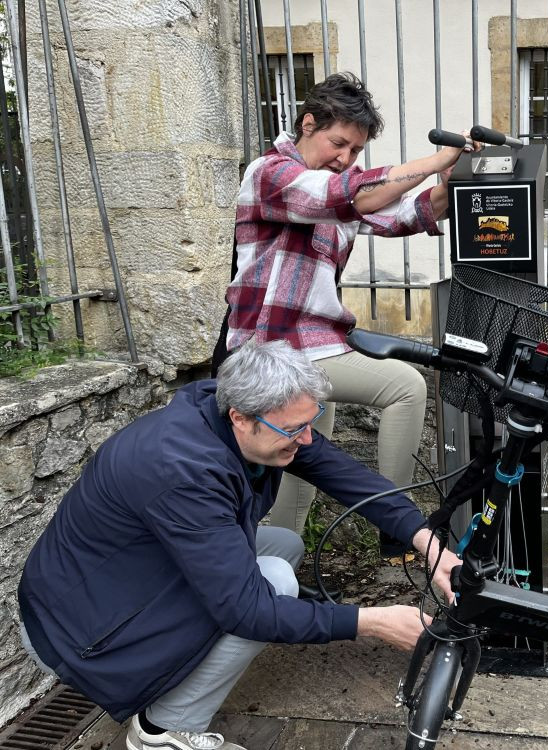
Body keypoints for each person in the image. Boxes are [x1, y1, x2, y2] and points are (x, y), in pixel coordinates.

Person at [17, 340, 461, 750]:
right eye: (296, 429)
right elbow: (246, 611)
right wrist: (373, 621)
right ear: (241, 418)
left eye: (311, 422)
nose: (307, 440)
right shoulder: (182, 469)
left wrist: (426, 542)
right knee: (274, 585)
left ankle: (175, 676)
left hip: (120, 578)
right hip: (82, 629)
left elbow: (344, 473)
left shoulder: (236, 409)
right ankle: (162, 731)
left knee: (282, 544)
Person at [225, 72, 478, 540]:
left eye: (356, 152)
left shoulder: (338, 189)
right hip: (270, 347)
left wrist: (449, 179)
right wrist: (433, 158)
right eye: (338, 144)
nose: (345, 159)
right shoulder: (269, 175)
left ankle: (277, 575)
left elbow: (404, 215)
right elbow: (346, 197)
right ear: (307, 125)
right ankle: (397, 524)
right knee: (405, 386)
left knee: (297, 467)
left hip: (316, 346)